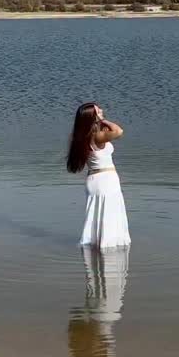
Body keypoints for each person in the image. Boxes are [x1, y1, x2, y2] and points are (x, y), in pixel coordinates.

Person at [66, 102, 131, 249]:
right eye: (98, 110)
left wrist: (98, 121)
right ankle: (106, 252)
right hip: (106, 181)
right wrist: (103, 120)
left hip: (94, 180)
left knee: (95, 217)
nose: (102, 110)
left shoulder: (80, 137)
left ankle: (94, 249)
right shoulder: (97, 136)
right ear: (92, 117)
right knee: (109, 217)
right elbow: (118, 131)